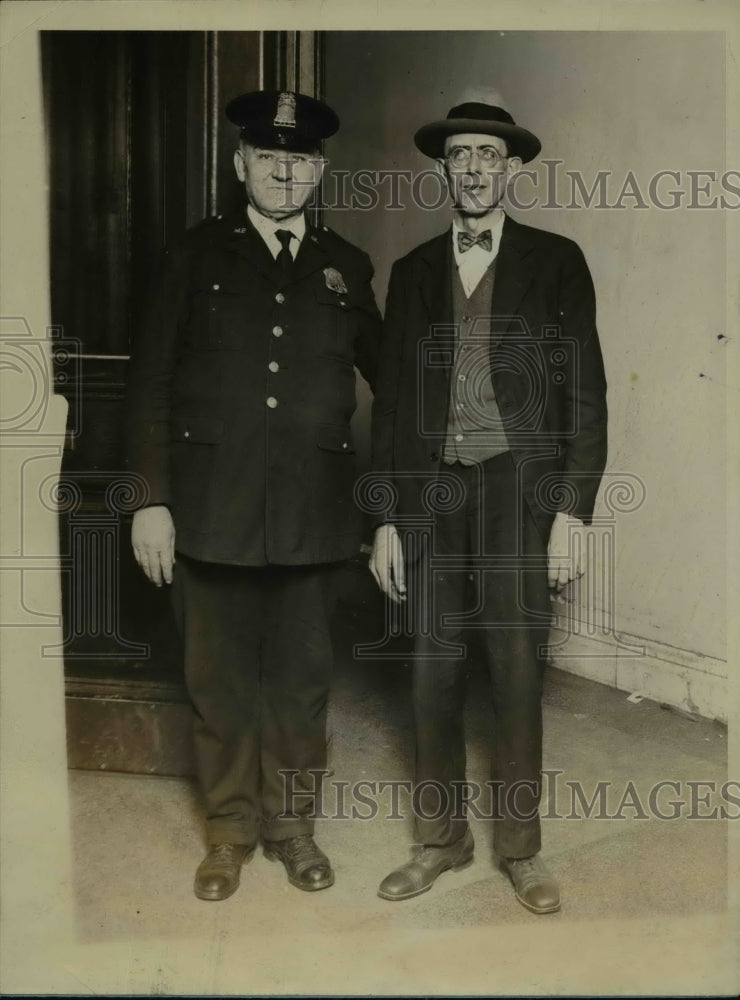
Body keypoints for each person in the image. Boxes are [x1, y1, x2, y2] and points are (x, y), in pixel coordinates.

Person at [126, 90, 380, 901]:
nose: (284, 172)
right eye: (268, 157)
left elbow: (397, 381)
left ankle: (293, 829)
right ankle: (231, 832)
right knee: (219, 682)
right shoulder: (193, 253)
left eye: (299, 160)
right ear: (241, 165)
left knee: (302, 684)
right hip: (211, 508)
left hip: (313, 511)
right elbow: (149, 381)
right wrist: (149, 499)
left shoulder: (348, 266)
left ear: (320, 171)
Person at [369, 98, 607, 914]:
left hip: (517, 492)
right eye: (459, 155)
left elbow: (585, 392)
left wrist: (572, 511)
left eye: (488, 155)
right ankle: (440, 842)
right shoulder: (411, 272)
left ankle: (521, 849)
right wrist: (385, 519)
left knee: (514, 670)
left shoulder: (557, 261)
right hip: (430, 495)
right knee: (431, 672)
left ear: (512, 168)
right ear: (444, 168)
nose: (473, 169)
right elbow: (392, 405)